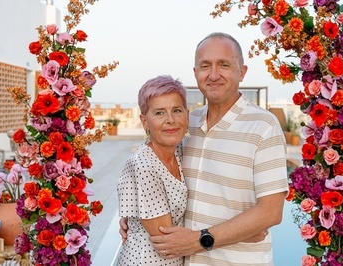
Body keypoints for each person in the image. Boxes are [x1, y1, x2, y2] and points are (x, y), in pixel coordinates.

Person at [120, 32, 288, 266]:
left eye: (224, 65)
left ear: (242, 72)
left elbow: (270, 212)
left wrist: (202, 240)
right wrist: (137, 219)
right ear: (196, 73)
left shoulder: (263, 126)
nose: (214, 74)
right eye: (205, 65)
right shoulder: (187, 124)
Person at [116, 75, 189, 265]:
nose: (170, 120)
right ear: (144, 121)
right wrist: (237, 232)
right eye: (159, 113)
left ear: (187, 114)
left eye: (177, 110)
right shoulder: (144, 165)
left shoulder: (180, 152)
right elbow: (167, 243)